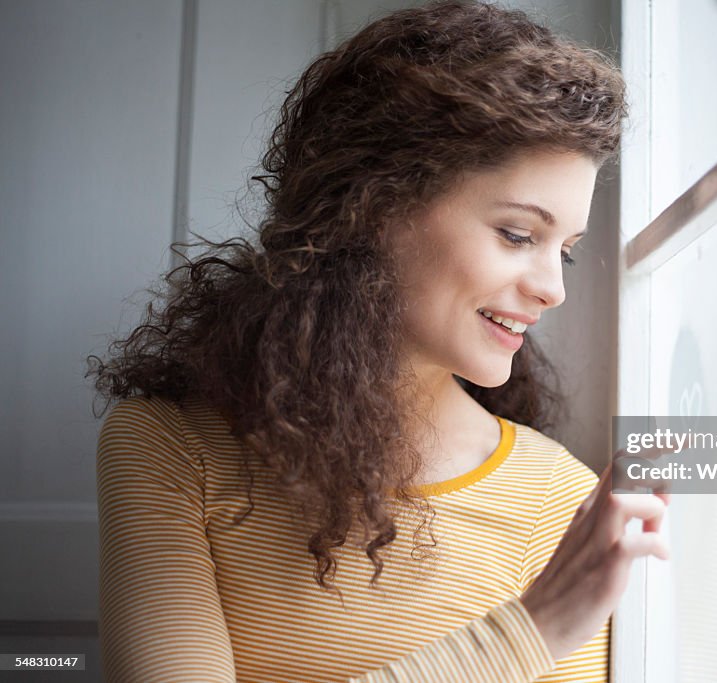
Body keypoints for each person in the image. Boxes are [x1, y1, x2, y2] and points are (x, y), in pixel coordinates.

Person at [89, 2, 668, 681]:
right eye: (518, 235)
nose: (552, 289)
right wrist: (530, 631)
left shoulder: (563, 505)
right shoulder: (170, 447)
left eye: (564, 251)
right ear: (373, 208)